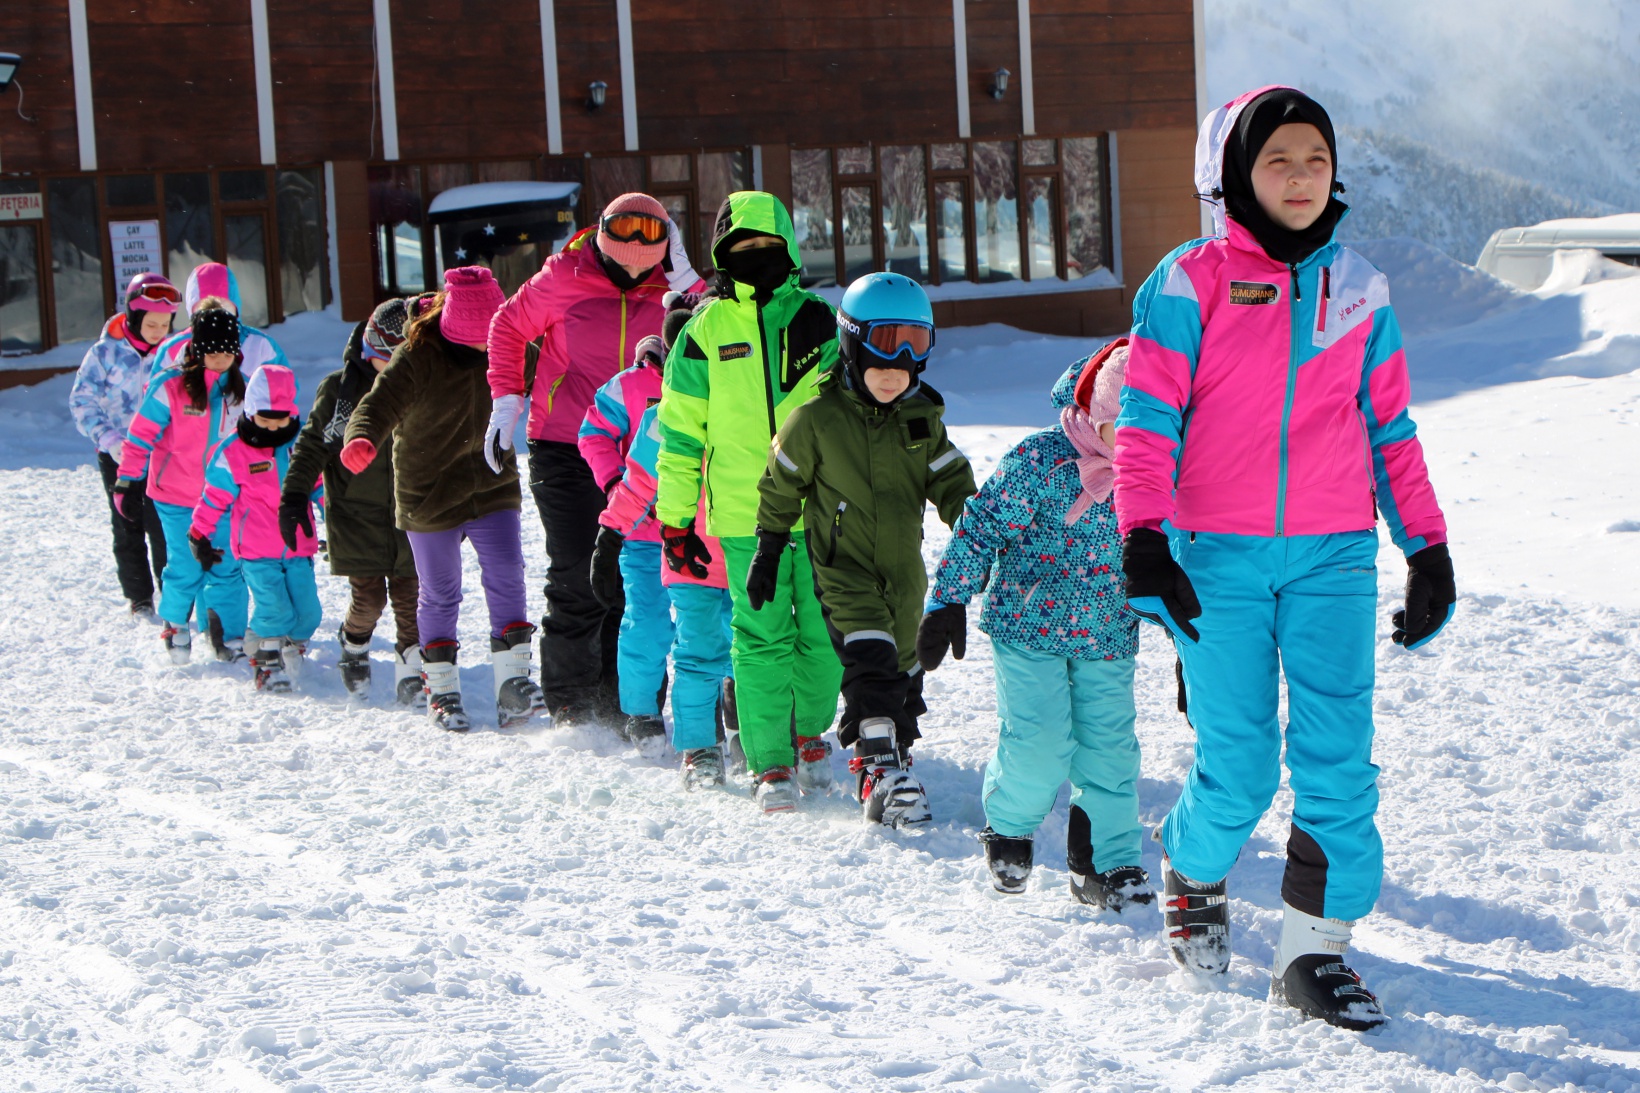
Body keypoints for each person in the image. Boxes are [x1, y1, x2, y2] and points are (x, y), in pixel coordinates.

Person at [1114, 86, 1454, 1030]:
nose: (1302, 177)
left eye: (1317, 159)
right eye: (1278, 160)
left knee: (1339, 758)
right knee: (1241, 765)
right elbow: (1146, 421)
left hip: (1333, 556)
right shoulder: (1189, 282)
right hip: (1212, 557)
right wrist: (1144, 534)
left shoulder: (1361, 289)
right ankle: (1192, 866)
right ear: (1234, 174)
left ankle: (1312, 950)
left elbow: (1391, 427)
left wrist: (1426, 546)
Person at [924, 338, 1150, 908]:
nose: (1135, 445)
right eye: (1123, 428)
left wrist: (1192, 649)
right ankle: (1009, 826)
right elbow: (981, 525)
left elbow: (1172, 561)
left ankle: (1106, 861)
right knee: (1041, 743)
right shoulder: (1041, 461)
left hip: (1108, 633)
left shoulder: (1156, 480)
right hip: (1030, 628)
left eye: (1149, 431)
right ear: (1096, 413)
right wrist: (949, 598)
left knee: (1111, 753)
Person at [756, 272, 975, 823]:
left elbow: (952, 483)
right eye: (884, 351)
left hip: (904, 576)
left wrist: (978, 527)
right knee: (871, 661)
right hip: (843, 570)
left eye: (914, 349)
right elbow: (780, 484)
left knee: (904, 670)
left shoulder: (921, 419)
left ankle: (891, 757)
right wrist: (769, 544)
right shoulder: (816, 420)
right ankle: (880, 773)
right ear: (852, 344)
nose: (897, 369)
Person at [655, 191, 844, 813]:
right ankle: (771, 763)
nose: (756, 255)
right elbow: (680, 437)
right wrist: (675, 521)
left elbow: (854, 418)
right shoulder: (701, 334)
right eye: (742, 247)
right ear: (721, 254)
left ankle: (808, 730)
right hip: (743, 517)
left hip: (820, 512)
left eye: (768, 245)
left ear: (788, 249)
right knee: (761, 639)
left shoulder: (819, 320)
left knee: (822, 635)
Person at [485, 194, 704, 725]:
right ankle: (571, 702)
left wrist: (688, 279)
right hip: (564, 443)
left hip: (650, 453)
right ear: (603, 236)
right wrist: (507, 398)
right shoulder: (565, 275)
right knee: (578, 573)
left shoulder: (674, 290)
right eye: (624, 235)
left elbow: (724, 323)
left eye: (650, 241)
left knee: (638, 580)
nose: (636, 254)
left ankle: (628, 703)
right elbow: (508, 326)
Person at [342, 267, 547, 733]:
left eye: (489, 342)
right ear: (451, 326)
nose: (485, 351)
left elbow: (555, 375)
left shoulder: (510, 345)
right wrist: (361, 437)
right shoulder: (418, 355)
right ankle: (441, 690)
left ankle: (513, 684)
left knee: (507, 572)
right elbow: (376, 405)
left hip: (491, 481)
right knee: (440, 590)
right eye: (475, 343)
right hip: (428, 491)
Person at [590, 295, 736, 787]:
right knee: (663, 632)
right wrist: (612, 529)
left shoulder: (750, 408)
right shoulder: (658, 408)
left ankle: (742, 723)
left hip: (734, 546)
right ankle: (661, 723)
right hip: (663, 542)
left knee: (742, 638)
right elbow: (634, 476)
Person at [282, 297, 424, 705]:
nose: (395, 369)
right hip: (356, 515)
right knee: (369, 599)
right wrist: (294, 496)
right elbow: (311, 446)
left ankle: (412, 672)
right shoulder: (339, 391)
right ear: (369, 352)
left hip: (411, 513)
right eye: (387, 360)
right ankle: (355, 643)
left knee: (411, 601)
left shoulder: (422, 386)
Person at [114, 302, 252, 664]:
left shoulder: (243, 390)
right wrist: (127, 480)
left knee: (227, 565)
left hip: (223, 498)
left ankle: (228, 635)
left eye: (228, 353)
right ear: (198, 350)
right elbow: (140, 437)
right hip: (176, 496)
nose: (220, 360)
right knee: (186, 565)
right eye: (213, 353)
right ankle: (175, 623)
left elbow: (260, 442)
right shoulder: (170, 386)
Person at [190, 365, 321, 692]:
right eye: (265, 419)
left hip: (298, 545)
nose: (274, 427)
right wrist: (199, 533)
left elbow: (321, 486)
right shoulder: (233, 451)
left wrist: (339, 519)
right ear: (250, 412)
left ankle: (289, 644)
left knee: (308, 613)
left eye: (281, 419)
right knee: (274, 608)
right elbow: (213, 497)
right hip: (256, 549)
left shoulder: (300, 445)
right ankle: (265, 660)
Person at [580, 332, 672, 748]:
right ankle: (641, 712)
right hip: (643, 530)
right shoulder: (631, 384)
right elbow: (593, 432)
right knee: (647, 622)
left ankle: (724, 714)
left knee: (716, 627)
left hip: (708, 532)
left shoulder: (721, 377)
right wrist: (615, 482)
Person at [70, 272, 179, 615]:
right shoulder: (105, 353)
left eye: (165, 324)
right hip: (118, 455)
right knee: (127, 524)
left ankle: (173, 595)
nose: (159, 331)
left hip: (163, 455)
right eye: (152, 324)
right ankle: (139, 596)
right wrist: (109, 438)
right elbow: (82, 401)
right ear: (133, 317)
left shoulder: (174, 354)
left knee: (164, 527)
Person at [150, 262, 288, 379]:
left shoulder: (259, 345)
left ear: (236, 309)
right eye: (206, 309)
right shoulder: (173, 349)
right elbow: (157, 394)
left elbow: (283, 390)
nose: (216, 318)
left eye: (224, 308)